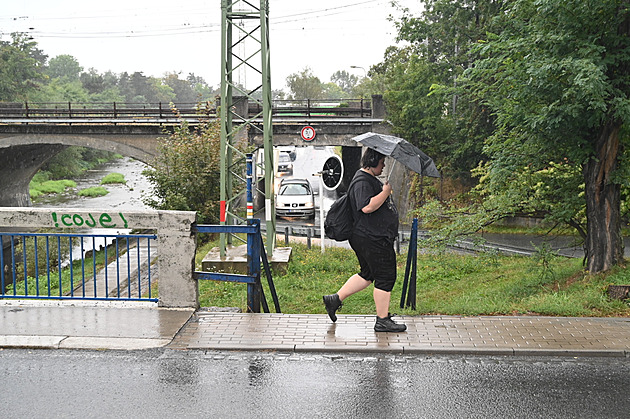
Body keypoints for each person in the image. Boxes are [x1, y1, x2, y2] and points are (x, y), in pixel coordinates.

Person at [323, 147, 406, 332]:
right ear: (373, 160)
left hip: (367, 237)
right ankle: (382, 320)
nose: (383, 166)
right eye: (382, 162)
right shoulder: (362, 181)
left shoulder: (366, 179)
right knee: (385, 276)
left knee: (368, 274)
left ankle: (334, 299)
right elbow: (366, 207)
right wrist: (385, 192)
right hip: (372, 239)